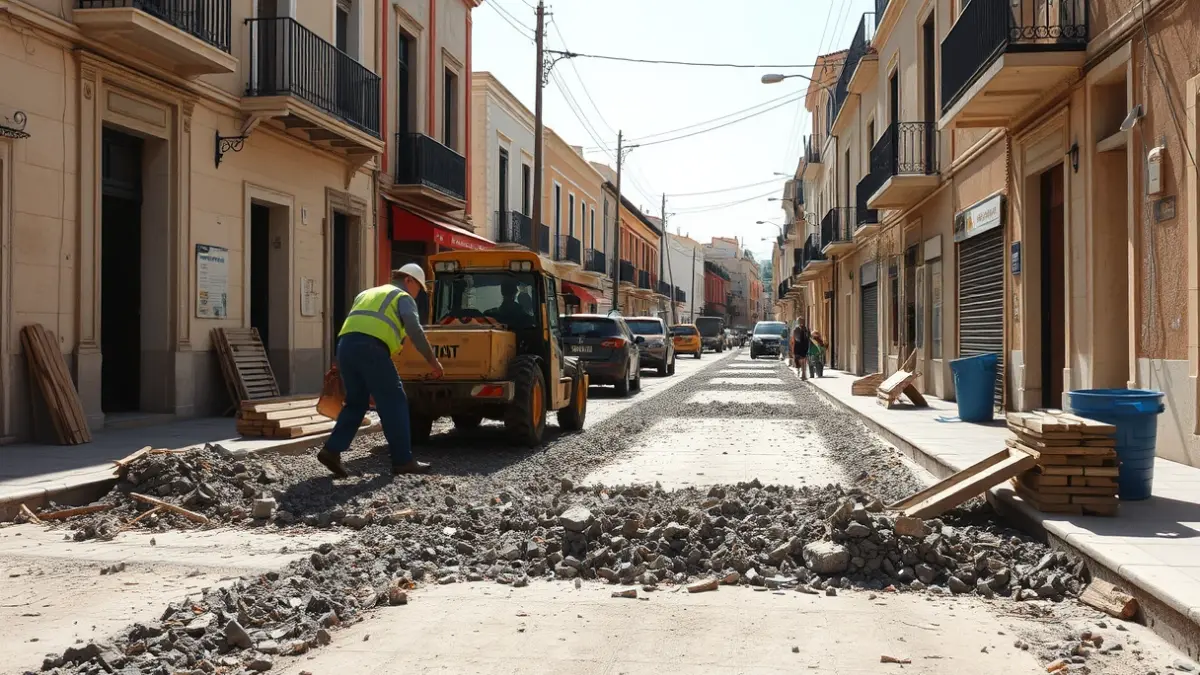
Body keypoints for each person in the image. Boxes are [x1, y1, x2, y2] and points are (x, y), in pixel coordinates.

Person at [316, 264, 444, 478]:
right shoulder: (402, 296)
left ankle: (332, 450)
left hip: (346, 347)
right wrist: (433, 362)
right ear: (409, 281)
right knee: (394, 400)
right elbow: (414, 328)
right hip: (371, 348)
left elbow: (357, 325)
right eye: (418, 288)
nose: (417, 293)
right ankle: (403, 460)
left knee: (356, 402)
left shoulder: (367, 293)